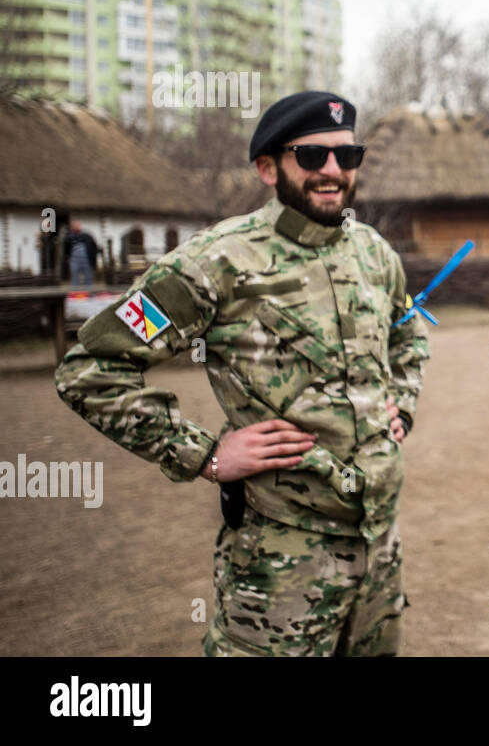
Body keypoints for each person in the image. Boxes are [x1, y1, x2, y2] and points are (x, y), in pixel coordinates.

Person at [54, 91, 430, 656]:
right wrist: (202, 454)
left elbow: (408, 329)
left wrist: (401, 403)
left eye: (346, 157)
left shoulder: (374, 255)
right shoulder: (215, 263)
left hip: (380, 550)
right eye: (311, 157)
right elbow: (90, 370)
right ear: (267, 167)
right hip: (280, 565)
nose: (332, 171)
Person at [64, 220, 99, 288]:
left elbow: (94, 247)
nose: (76, 228)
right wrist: (68, 257)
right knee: (75, 278)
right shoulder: (68, 237)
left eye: (78, 226)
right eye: (74, 226)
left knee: (88, 278)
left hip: (87, 260)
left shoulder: (87, 236)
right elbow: (66, 249)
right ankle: (75, 294)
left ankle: (89, 293)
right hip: (74, 261)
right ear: (72, 228)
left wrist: (93, 258)